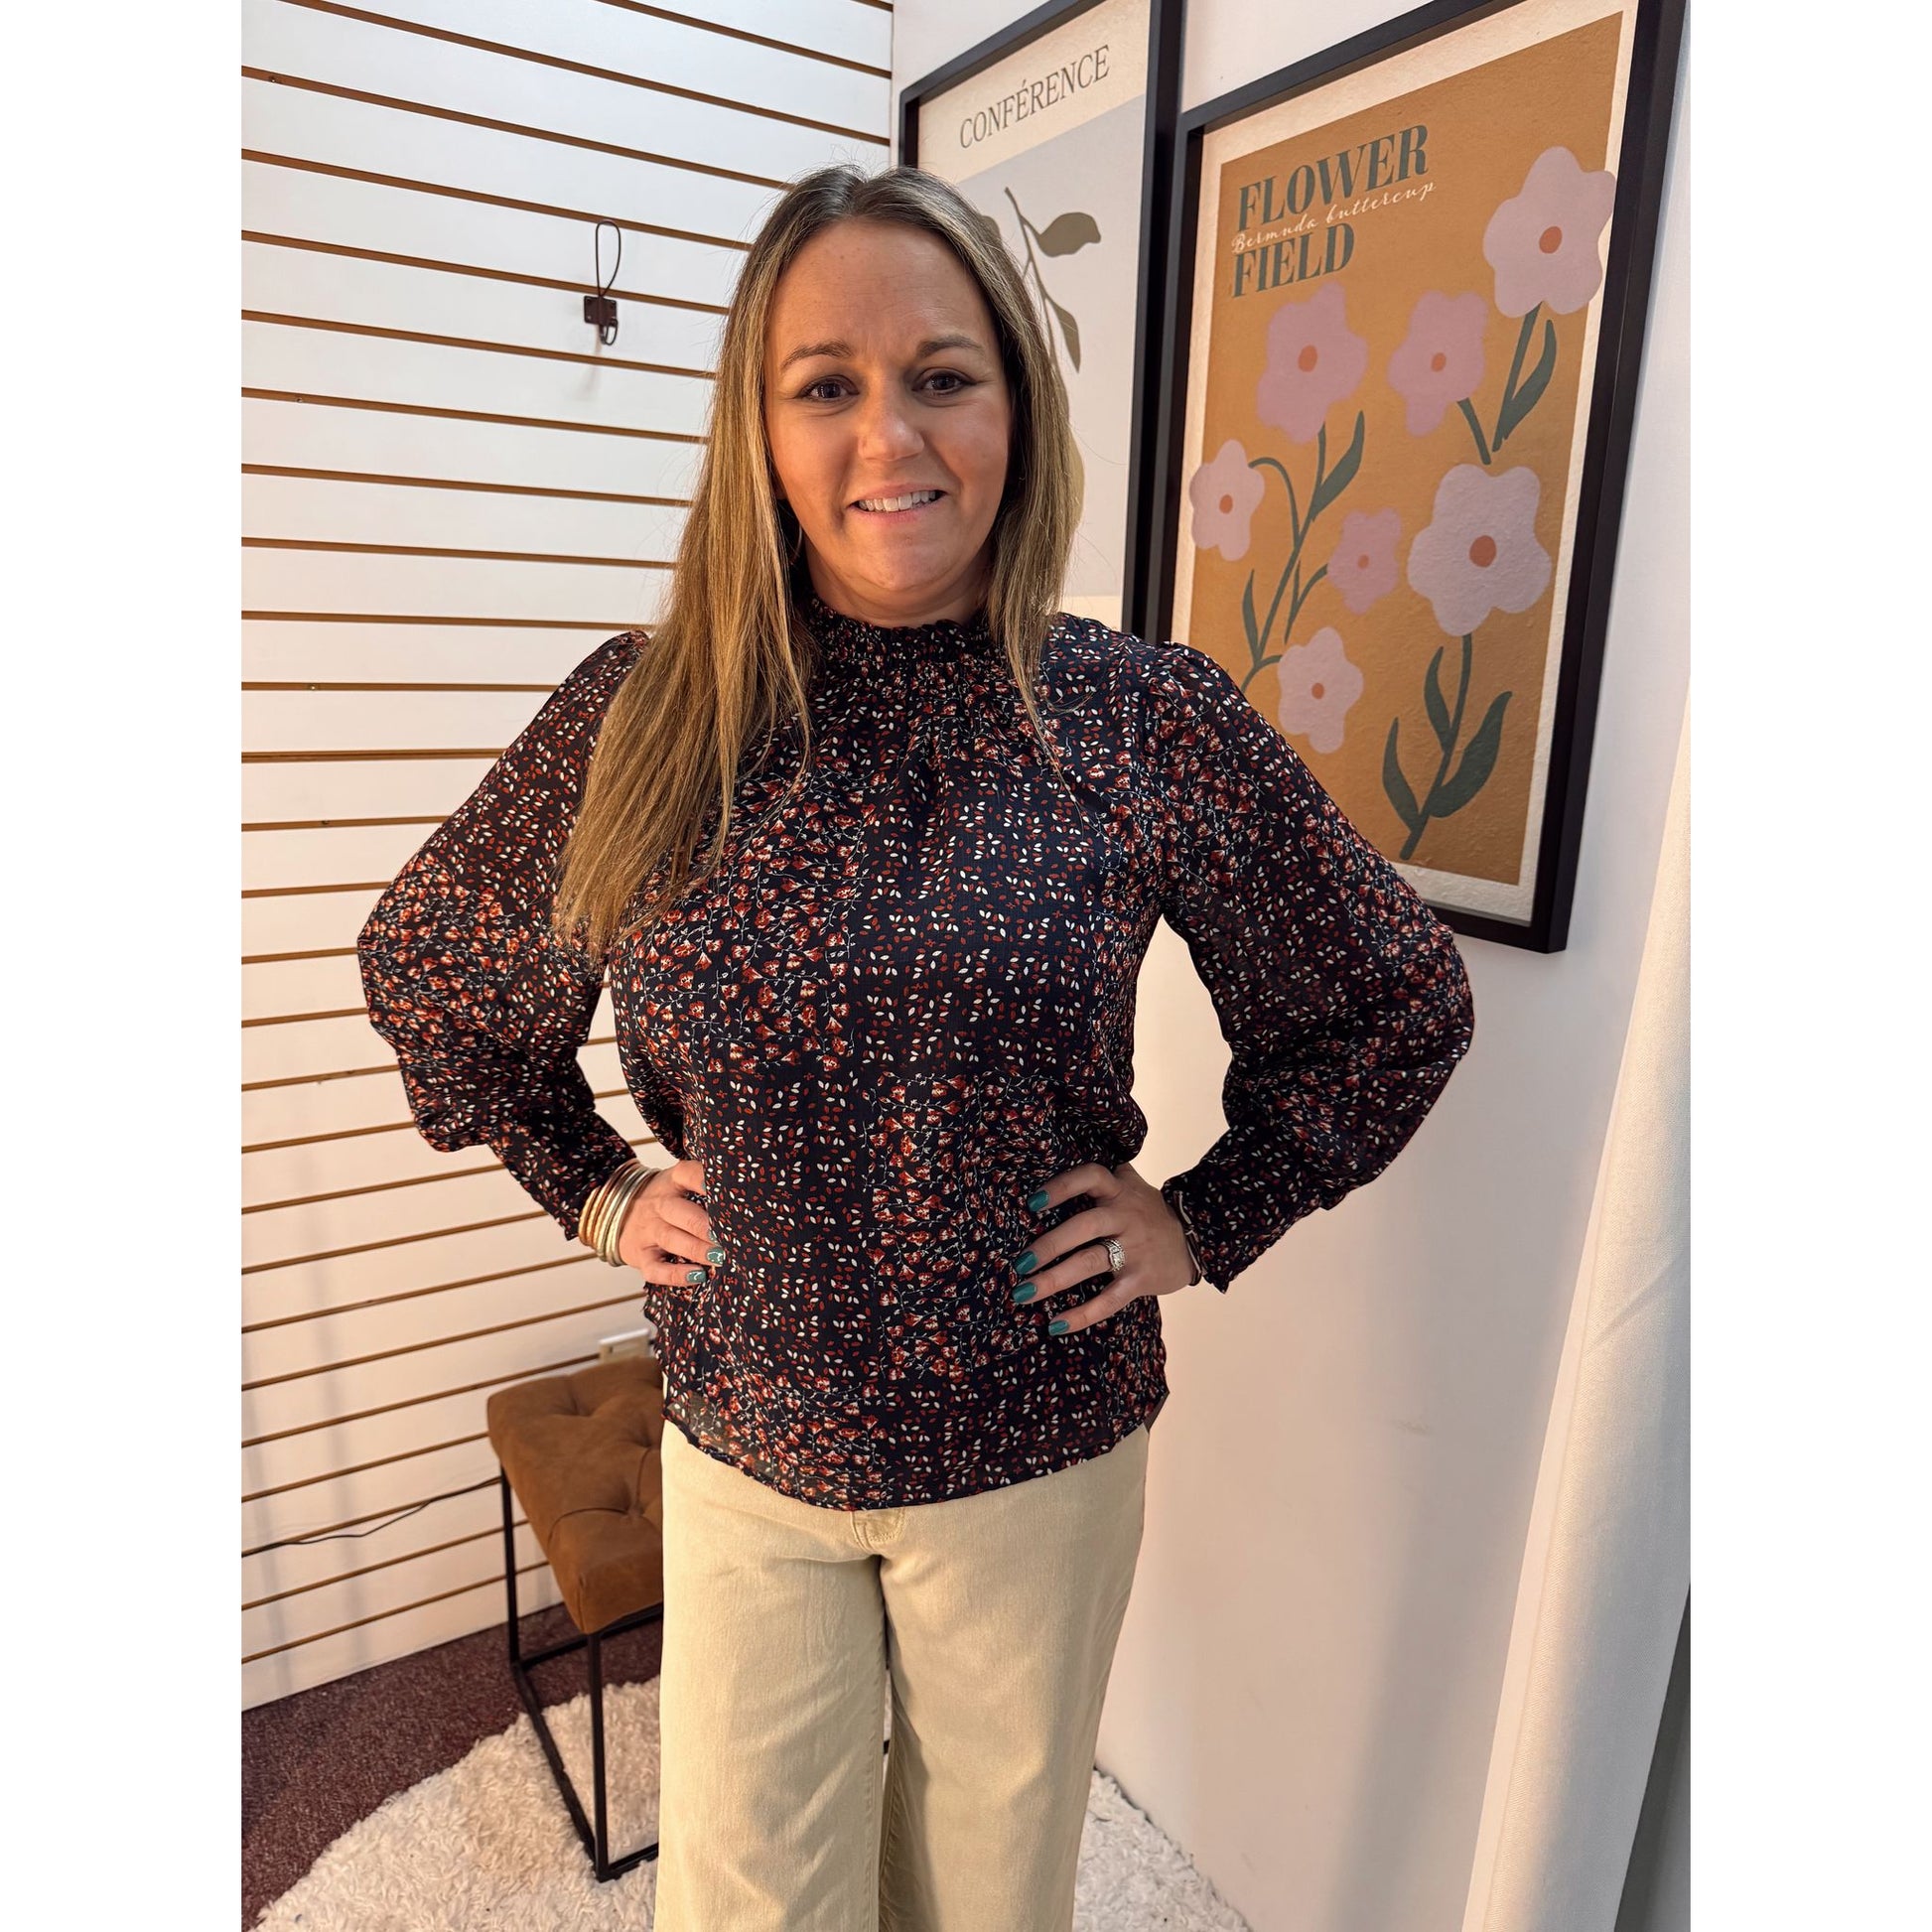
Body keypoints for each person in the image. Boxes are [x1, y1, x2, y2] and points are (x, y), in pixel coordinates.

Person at [357, 161, 1475, 1932]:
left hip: (1035, 1450)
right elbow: (433, 964)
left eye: (942, 373)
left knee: (983, 1901)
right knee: (748, 1902)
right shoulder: (646, 717)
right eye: (828, 383)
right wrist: (590, 1186)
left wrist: (1206, 1212)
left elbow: (1390, 996)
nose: (892, 433)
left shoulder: (1133, 715)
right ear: (763, 428)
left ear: (1013, 406)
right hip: (747, 1441)